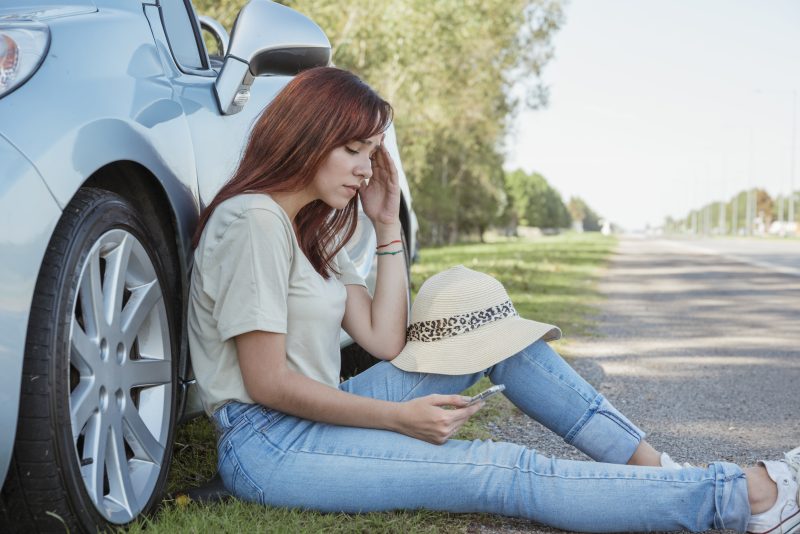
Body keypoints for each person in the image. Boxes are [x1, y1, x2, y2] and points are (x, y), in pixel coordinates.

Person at [187, 66, 799, 533]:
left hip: (321, 411)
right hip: (270, 442)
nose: (366, 170)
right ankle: (746, 499)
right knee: (500, 469)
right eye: (354, 151)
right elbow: (266, 383)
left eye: (372, 155)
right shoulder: (254, 222)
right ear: (306, 136)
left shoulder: (308, 228)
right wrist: (399, 417)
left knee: (502, 340)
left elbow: (385, 340)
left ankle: (656, 472)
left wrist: (386, 226)